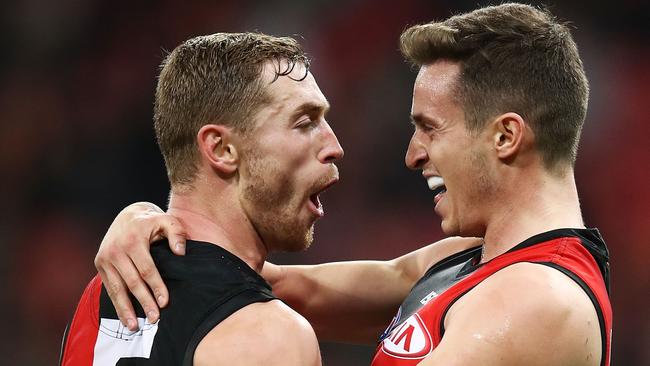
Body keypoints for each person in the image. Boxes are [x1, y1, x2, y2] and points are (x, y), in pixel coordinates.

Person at [92, 4, 612, 366]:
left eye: (429, 128)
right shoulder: (467, 263)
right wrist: (148, 226)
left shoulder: (541, 303)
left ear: (505, 136)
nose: (413, 154)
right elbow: (259, 282)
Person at [60, 32, 345, 365]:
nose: (334, 146)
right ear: (222, 149)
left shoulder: (101, 292)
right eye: (305, 122)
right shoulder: (266, 335)